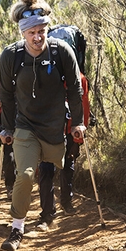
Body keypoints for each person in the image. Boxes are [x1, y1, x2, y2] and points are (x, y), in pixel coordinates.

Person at [0, 0, 86, 251]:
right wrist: (7, 127)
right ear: (23, 34)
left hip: (54, 127)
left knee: (53, 169)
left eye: (41, 31)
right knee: (25, 175)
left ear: (47, 30)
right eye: (31, 33)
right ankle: (16, 229)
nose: (37, 37)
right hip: (26, 126)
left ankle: (52, 212)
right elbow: (5, 93)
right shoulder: (10, 56)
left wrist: (78, 123)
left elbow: (75, 88)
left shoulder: (62, 52)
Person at [37, 72, 90, 230]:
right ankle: (47, 214)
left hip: (71, 129)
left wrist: (78, 141)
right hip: (48, 129)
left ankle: (66, 203)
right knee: (46, 169)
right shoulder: (44, 72)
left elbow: (84, 106)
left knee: (68, 166)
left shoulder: (80, 78)